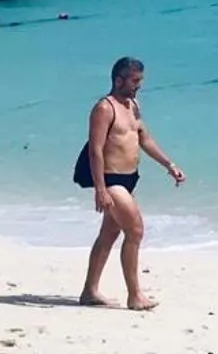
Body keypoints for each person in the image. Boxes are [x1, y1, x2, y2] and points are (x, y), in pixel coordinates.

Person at [78, 56, 184, 310]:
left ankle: (89, 292)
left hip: (128, 179)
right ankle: (135, 295)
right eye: (135, 81)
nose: (139, 85)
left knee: (109, 234)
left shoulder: (133, 105)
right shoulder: (105, 108)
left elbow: (144, 138)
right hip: (111, 179)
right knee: (135, 230)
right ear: (118, 80)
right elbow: (96, 150)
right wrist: (100, 189)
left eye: (140, 80)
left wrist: (169, 165)